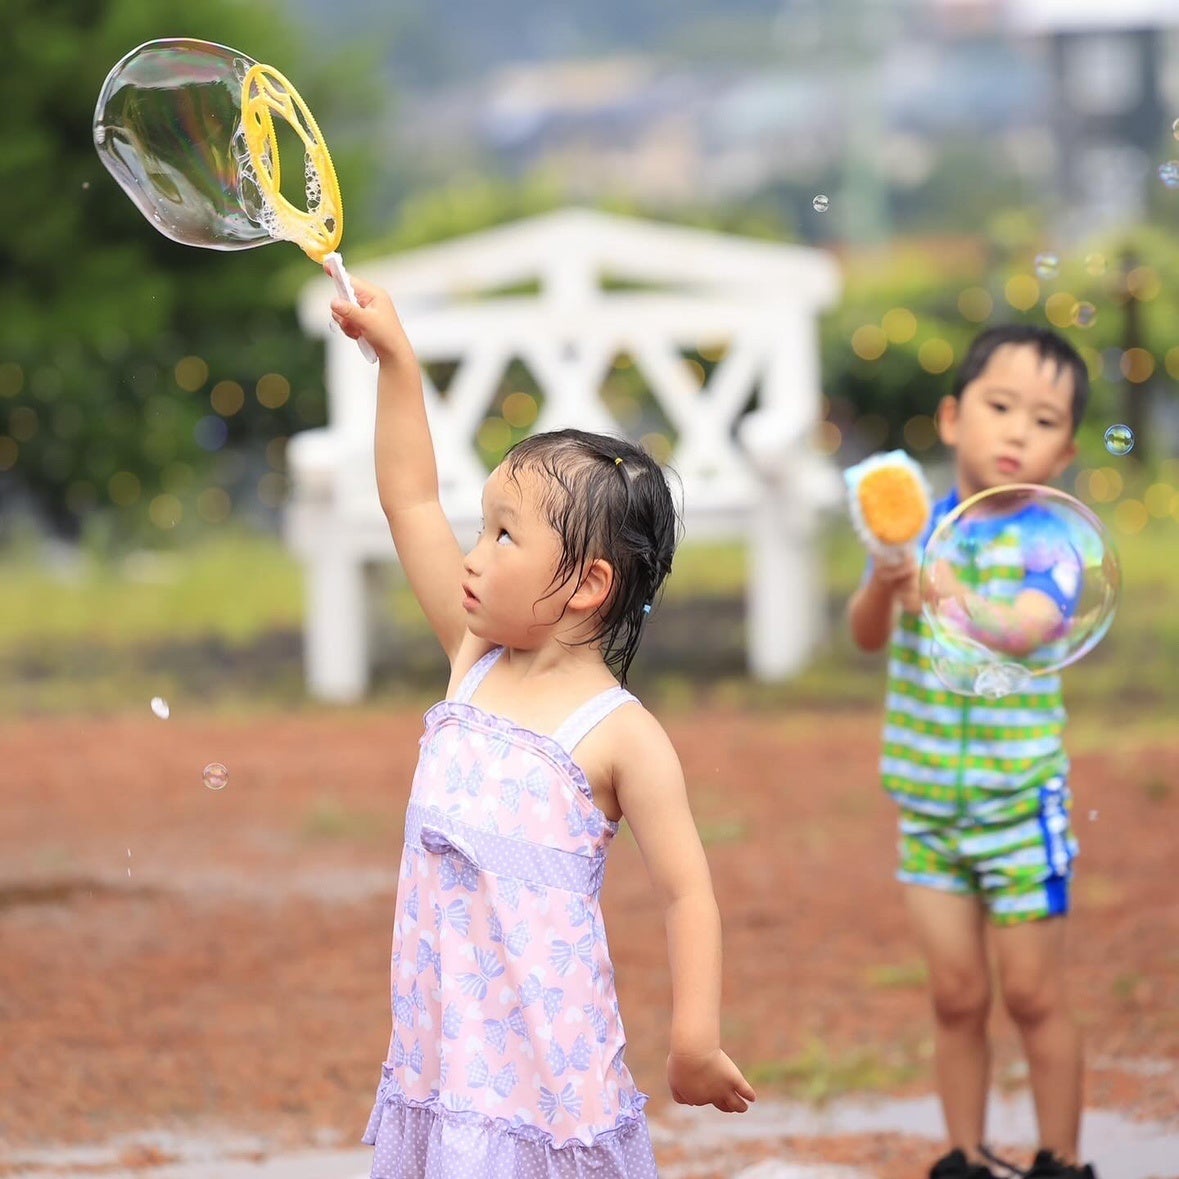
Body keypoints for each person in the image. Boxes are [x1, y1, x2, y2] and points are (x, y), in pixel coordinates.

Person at [330, 276, 756, 1179]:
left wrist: (694, 1039)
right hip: (445, 1058)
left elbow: (688, 894)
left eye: (502, 536)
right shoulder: (473, 657)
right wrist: (397, 361)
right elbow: (409, 499)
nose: (472, 556)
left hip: (552, 1077)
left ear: (589, 584)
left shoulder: (619, 734)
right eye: (480, 528)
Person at [847, 325, 1100, 1179]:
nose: (1015, 431)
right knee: (955, 995)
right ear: (953, 418)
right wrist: (885, 583)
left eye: (1041, 420)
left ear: (1062, 451)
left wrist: (949, 595)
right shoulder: (917, 529)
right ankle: (961, 1154)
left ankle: (1061, 1160)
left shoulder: (1052, 542)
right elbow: (865, 635)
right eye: (998, 407)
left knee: (1031, 993)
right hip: (927, 807)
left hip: (1017, 805)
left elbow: (1030, 629)